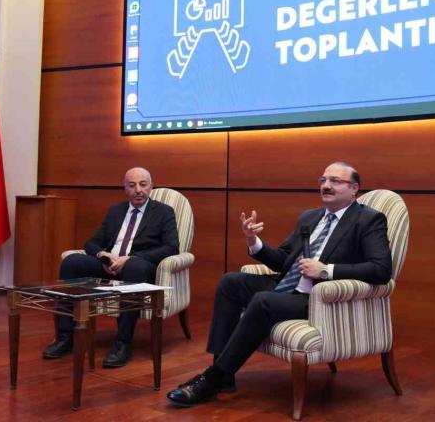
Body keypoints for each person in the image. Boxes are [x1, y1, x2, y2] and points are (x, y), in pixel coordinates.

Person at [166, 161, 392, 406]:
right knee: (230, 282)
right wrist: (254, 241)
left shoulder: (368, 220)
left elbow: (381, 270)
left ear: (354, 188)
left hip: (318, 298)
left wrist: (326, 270)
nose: (326, 185)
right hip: (287, 286)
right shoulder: (310, 217)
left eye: (335, 181)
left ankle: (212, 379)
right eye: (323, 180)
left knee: (263, 301)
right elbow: (284, 260)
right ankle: (225, 375)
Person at [42, 167, 179, 368]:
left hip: (139, 267)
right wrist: (103, 255)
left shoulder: (163, 212)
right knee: (71, 262)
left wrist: (130, 258)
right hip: (109, 265)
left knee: (134, 268)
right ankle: (65, 337)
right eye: (132, 185)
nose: (138, 190)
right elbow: (91, 243)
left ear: (151, 186)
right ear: (125, 188)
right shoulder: (116, 211)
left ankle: (122, 343)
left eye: (143, 184)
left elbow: (171, 247)